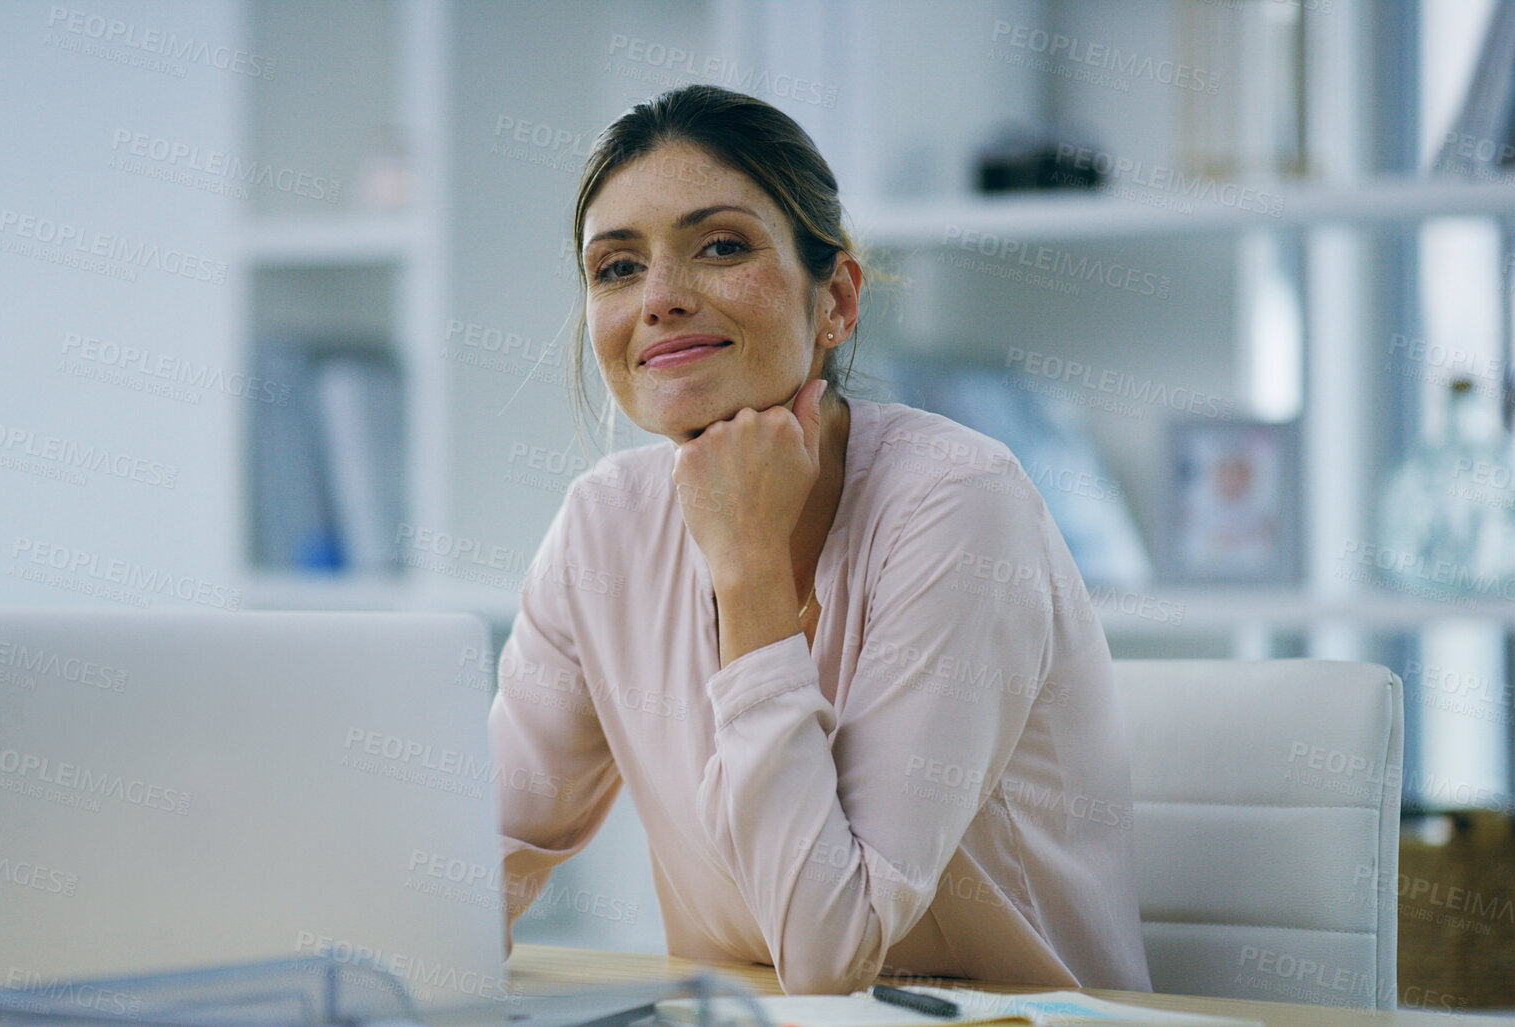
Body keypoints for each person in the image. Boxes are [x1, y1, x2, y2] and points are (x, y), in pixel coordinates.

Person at [490, 84, 1151, 996]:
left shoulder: (960, 505)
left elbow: (831, 953)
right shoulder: (602, 526)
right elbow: (471, 860)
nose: (660, 299)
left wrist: (748, 568)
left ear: (834, 297)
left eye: (719, 247)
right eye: (615, 268)